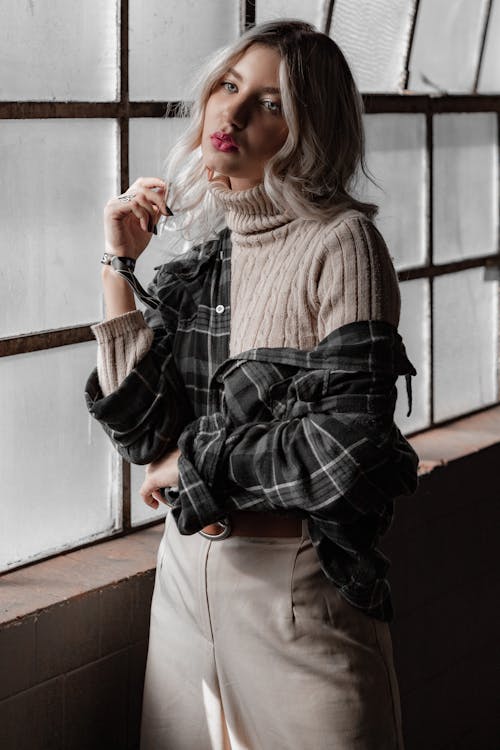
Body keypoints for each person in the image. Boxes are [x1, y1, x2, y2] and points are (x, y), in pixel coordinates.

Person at [85, 19, 418, 750]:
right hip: (185, 575)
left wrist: (196, 461)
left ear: (309, 131)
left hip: (297, 585)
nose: (231, 115)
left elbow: (350, 449)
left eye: (270, 103)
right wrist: (119, 269)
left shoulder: (342, 243)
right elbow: (142, 437)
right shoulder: (205, 262)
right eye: (229, 88)